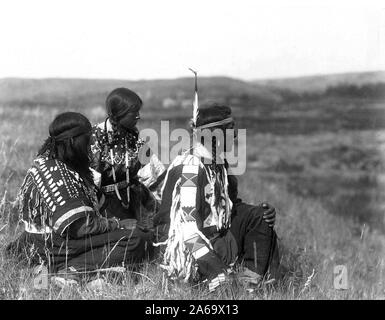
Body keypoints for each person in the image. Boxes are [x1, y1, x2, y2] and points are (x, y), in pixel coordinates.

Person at [6, 112, 153, 282]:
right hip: (53, 245)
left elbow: (102, 204)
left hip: (53, 241)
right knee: (136, 240)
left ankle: (60, 269)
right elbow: (80, 227)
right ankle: (68, 270)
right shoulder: (56, 173)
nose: (91, 144)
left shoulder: (66, 164)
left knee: (140, 234)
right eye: (87, 139)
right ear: (72, 141)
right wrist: (119, 225)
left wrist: (130, 220)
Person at [153, 104, 280, 292]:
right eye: (230, 129)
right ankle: (221, 282)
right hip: (190, 248)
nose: (235, 134)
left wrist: (261, 213)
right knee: (220, 281)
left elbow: (227, 205)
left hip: (216, 234)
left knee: (259, 217)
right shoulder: (190, 167)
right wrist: (214, 269)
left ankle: (251, 285)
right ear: (213, 134)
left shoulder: (216, 160)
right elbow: (186, 229)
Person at [90, 88, 164, 230]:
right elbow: (91, 182)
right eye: (134, 113)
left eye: (138, 112)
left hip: (133, 199)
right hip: (104, 204)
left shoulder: (133, 136)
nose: (138, 117)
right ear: (118, 114)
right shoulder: (95, 137)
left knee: (151, 233)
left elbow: (154, 172)